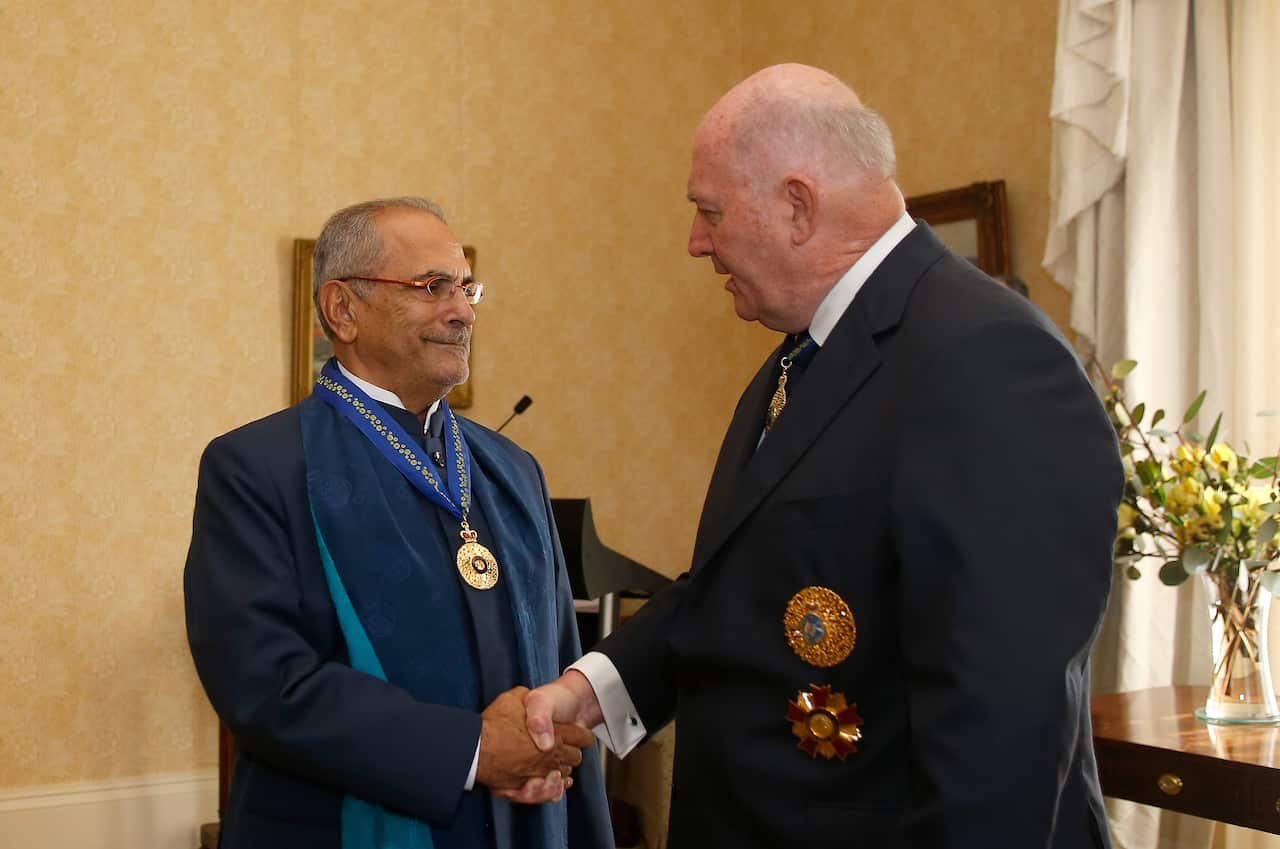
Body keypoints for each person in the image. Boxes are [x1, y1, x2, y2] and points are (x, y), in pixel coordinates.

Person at [525, 65, 1122, 848]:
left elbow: (1001, 722)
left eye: (710, 211)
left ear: (797, 206)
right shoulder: (799, 357)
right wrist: (594, 687)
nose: (696, 241)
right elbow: (737, 585)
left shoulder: (989, 360)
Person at [184, 197, 612, 849]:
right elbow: (267, 684)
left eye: (467, 287)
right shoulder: (258, 468)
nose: (463, 310)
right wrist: (472, 749)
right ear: (342, 310)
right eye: (431, 287)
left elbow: (560, 659)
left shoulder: (513, 469)